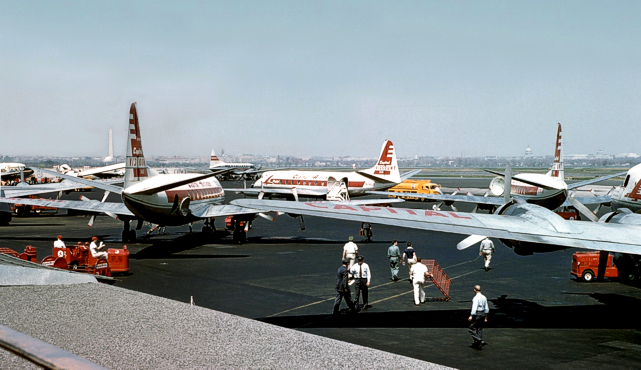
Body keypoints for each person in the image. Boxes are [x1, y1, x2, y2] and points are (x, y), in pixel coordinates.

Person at [468, 285, 489, 349]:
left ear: (475, 290)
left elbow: (474, 308)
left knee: (471, 328)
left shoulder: (476, 298)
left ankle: (479, 340)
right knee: (479, 328)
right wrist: (486, 317)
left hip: (478, 314)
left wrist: (471, 316)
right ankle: (477, 343)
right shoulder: (484, 297)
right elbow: (486, 308)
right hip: (483, 313)